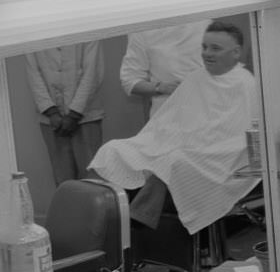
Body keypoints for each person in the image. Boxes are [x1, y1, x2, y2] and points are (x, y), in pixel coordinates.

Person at [90, 21, 258, 233]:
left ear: (235, 53)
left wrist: (197, 141)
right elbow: (175, 120)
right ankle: (110, 220)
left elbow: (245, 131)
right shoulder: (196, 77)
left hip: (220, 151)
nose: (206, 53)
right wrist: (170, 137)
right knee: (113, 149)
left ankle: (137, 223)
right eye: (204, 47)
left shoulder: (244, 82)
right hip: (182, 139)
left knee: (172, 161)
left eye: (215, 48)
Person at [25, 42, 105, 183]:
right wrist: (51, 111)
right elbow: (33, 74)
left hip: (86, 115)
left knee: (92, 176)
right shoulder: (32, 31)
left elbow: (92, 72)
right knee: (63, 179)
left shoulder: (88, 27)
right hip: (51, 118)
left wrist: (74, 113)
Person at [119, 19, 207, 116]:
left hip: (210, 111)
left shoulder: (204, 21)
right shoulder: (143, 31)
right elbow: (129, 81)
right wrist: (161, 87)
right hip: (169, 116)